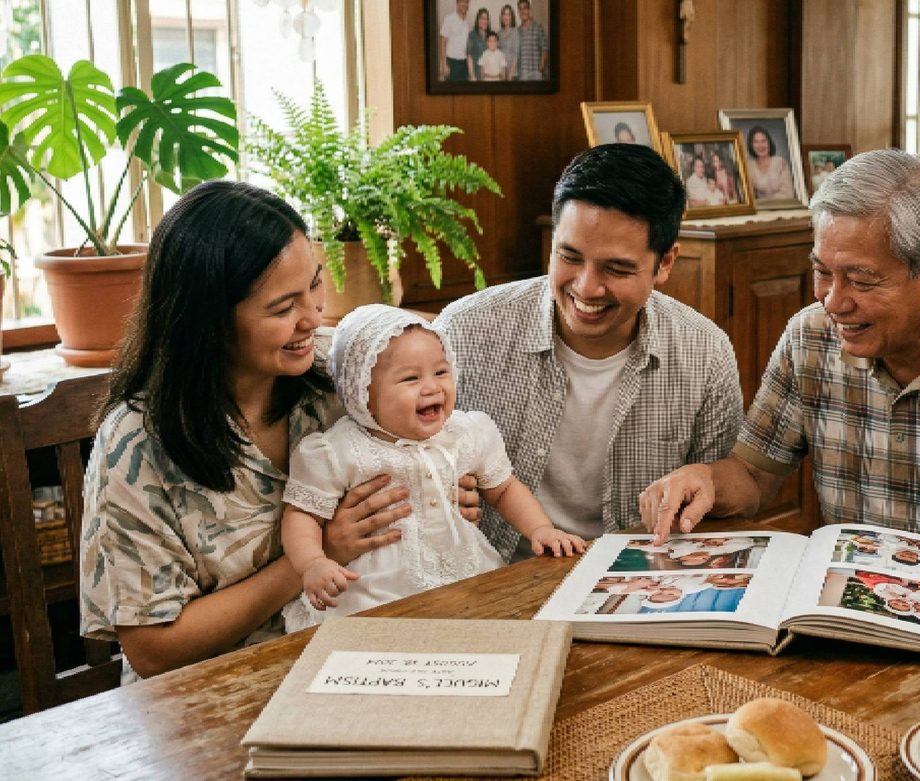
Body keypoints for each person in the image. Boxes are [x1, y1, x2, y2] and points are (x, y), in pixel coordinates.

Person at [639, 149, 920, 604]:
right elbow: (753, 475)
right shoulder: (810, 337)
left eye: (861, 280)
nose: (834, 302)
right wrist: (705, 479)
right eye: (822, 273)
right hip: (845, 611)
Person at [79, 182, 474, 679]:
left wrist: (444, 488)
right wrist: (314, 557)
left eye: (314, 284)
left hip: (359, 656)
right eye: (283, 308)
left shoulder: (344, 376)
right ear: (208, 321)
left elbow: (434, 440)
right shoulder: (136, 445)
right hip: (216, 693)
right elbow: (155, 651)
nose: (312, 317)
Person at [435, 143, 743, 562]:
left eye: (616, 269)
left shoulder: (704, 352)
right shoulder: (463, 333)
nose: (586, 288)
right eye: (569, 257)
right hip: (490, 577)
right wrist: (436, 489)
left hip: (637, 580)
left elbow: (726, 491)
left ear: (666, 262)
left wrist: (705, 481)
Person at [279, 305, 584, 631]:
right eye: (411, 378)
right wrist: (313, 563)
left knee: (481, 630)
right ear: (361, 394)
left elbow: (505, 488)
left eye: (441, 372)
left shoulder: (464, 433)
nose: (432, 387)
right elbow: (302, 514)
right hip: (375, 589)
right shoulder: (338, 451)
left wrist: (540, 529)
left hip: (463, 572)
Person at [744, 125, 795, 200]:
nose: (760, 146)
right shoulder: (749, 166)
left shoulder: (780, 163)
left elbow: (789, 193)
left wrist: (766, 201)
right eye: (756, 142)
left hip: (783, 206)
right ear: (751, 145)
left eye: (763, 141)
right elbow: (748, 196)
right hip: (761, 209)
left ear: (769, 142)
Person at [438, 0, 472, 81]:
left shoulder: (466, 23)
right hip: (451, 62)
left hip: (464, 63)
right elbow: (443, 42)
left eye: (466, 2)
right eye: (462, 2)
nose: (464, 4)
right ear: (457, 3)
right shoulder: (449, 19)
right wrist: (444, 64)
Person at [516, 0, 548, 80]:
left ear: (529, 10)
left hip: (536, 74)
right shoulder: (517, 31)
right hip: (522, 75)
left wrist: (541, 66)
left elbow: (545, 48)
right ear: (518, 12)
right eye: (520, 9)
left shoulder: (538, 27)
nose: (523, 11)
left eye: (525, 8)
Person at [465, 8, 492, 81]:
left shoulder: (491, 35)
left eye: (486, 19)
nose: (484, 21)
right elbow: (469, 56)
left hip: (489, 76)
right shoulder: (472, 35)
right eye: (482, 18)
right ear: (477, 20)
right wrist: (472, 75)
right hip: (475, 75)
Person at [497, 4, 520, 81]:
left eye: (508, 14)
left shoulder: (515, 32)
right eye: (504, 14)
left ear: (511, 17)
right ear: (501, 16)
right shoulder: (498, 33)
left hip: (512, 74)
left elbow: (516, 54)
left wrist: (510, 74)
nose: (505, 17)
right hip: (501, 72)